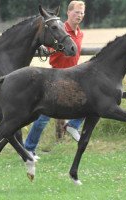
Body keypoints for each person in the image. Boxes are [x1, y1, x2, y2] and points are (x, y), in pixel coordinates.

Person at [24, 1, 86, 160]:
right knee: (43, 116)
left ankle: (72, 125)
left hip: (73, 75)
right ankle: (28, 149)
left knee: (92, 100)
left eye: (82, 13)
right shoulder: (59, 28)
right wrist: (46, 50)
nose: (79, 15)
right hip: (56, 76)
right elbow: (51, 45)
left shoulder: (80, 33)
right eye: (76, 12)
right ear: (69, 13)